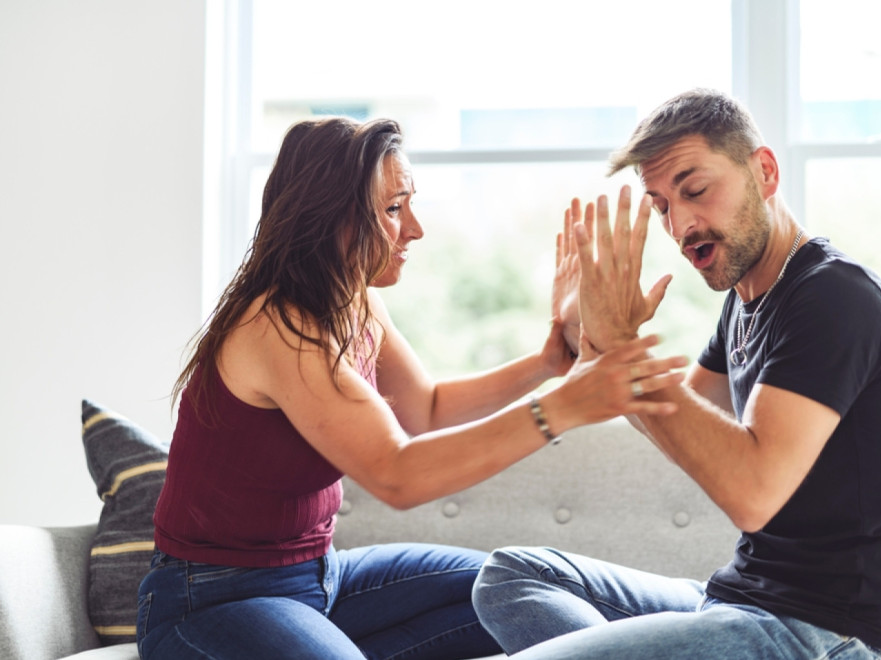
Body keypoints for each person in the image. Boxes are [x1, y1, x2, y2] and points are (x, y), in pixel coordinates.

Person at [135, 116, 684, 660]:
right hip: (208, 602)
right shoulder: (276, 327)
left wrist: (550, 360)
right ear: (330, 216)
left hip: (321, 579)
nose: (415, 228)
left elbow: (425, 408)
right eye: (394, 209)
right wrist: (562, 407)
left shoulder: (354, 299)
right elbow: (396, 474)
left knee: (520, 587)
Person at [472, 89, 881, 660]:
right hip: (738, 605)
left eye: (695, 190)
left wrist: (624, 348)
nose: (681, 224)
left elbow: (751, 494)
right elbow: (674, 421)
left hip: (831, 636)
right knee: (512, 576)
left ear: (764, 171)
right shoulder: (746, 300)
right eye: (662, 205)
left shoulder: (835, 298)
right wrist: (592, 347)